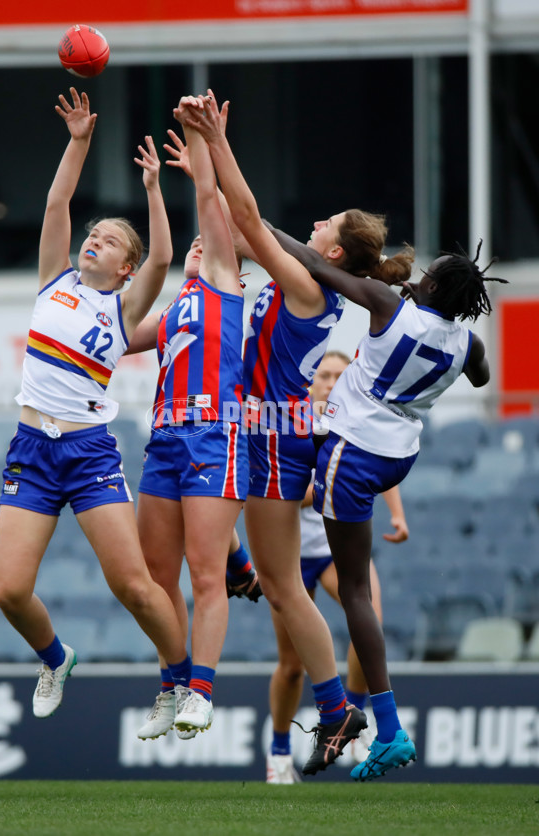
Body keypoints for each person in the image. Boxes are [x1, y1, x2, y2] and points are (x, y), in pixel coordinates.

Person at [181, 90, 415, 776]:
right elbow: (230, 216)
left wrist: (216, 140)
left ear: (335, 247)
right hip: (262, 432)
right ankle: (336, 707)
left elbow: (249, 217)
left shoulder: (311, 287)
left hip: (275, 437)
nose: (312, 224)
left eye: (324, 223)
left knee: (280, 584)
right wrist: (201, 152)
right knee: (280, 586)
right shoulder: (306, 284)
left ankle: (334, 708)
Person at [265, 230, 506, 780]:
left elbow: (312, 264)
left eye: (428, 275)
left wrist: (258, 224)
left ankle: (388, 729)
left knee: (353, 593)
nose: (417, 279)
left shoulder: (389, 306)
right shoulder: (469, 344)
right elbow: (481, 375)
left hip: (353, 448)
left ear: (436, 285)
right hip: (396, 455)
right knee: (354, 589)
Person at [0, 87, 191, 720]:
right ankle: (55, 658)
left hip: (88, 450)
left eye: (108, 241)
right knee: (9, 589)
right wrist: (78, 143)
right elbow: (57, 202)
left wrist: (155, 189)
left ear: (126, 270)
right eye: (93, 235)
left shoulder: (122, 304)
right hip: (31, 446)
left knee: (135, 586)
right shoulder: (55, 279)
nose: (94, 241)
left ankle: (182, 682)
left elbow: (163, 255)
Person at [133, 96, 248, 740]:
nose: (206, 240)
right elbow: (116, 336)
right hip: (166, 439)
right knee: (156, 577)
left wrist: (202, 139)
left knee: (206, 573)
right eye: (201, 240)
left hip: (214, 433)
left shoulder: (228, 285)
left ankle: (201, 689)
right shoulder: (179, 306)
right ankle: (172, 682)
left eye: (218, 235)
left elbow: (211, 200)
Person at [266, 350, 409, 784]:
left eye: (339, 375)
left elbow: (378, 468)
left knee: (372, 620)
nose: (330, 382)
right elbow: (291, 491)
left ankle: (352, 713)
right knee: (291, 665)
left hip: (333, 551)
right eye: (323, 375)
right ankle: (278, 753)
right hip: (291, 556)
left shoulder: (355, 423)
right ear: (310, 382)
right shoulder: (292, 423)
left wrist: (398, 514)